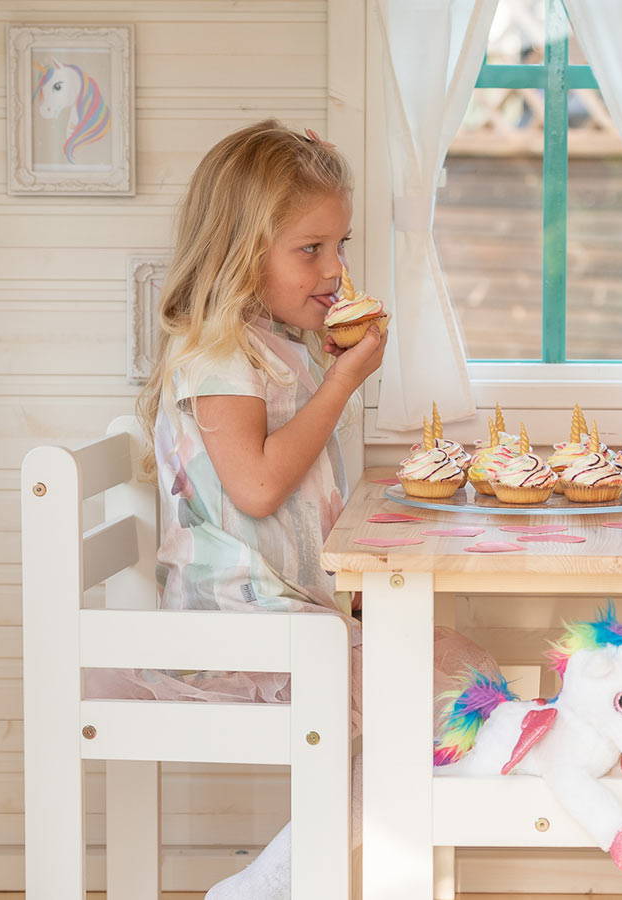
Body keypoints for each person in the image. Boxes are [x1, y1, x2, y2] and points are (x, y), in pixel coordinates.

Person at [82, 119, 495, 898]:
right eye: (311, 250)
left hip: (283, 611)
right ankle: (275, 882)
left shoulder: (275, 349)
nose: (336, 270)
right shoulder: (217, 352)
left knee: (465, 681)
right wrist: (345, 385)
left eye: (340, 246)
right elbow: (260, 487)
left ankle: (281, 875)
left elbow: (298, 501)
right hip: (237, 625)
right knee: (453, 695)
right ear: (242, 252)